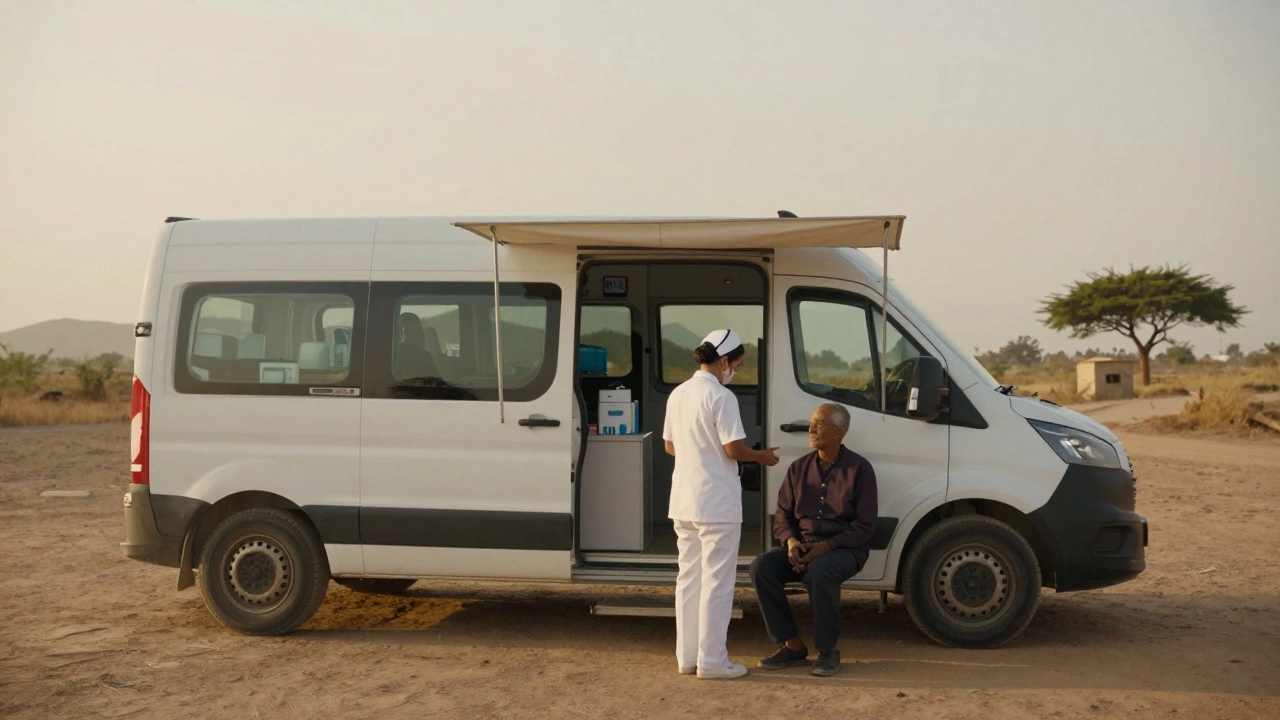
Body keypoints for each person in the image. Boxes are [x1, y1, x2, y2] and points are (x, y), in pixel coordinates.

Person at [663, 329, 780, 680]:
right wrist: (759, 456)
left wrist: (698, 453)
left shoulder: (678, 394)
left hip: (684, 500)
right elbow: (733, 449)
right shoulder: (722, 396)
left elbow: (670, 446)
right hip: (716, 503)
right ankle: (712, 661)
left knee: (689, 580)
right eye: (738, 365)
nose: (736, 372)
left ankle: (687, 658)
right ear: (724, 361)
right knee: (717, 582)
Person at [749, 403, 877, 677]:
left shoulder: (860, 470)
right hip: (803, 544)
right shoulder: (798, 468)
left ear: (839, 432)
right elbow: (782, 516)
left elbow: (865, 526)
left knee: (820, 572)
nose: (811, 429)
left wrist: (827, 546)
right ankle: (792, 646)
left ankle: (828, 651)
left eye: (819, 424)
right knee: (762, 567)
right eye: (812, 423)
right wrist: (792, 543)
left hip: (844, 548)